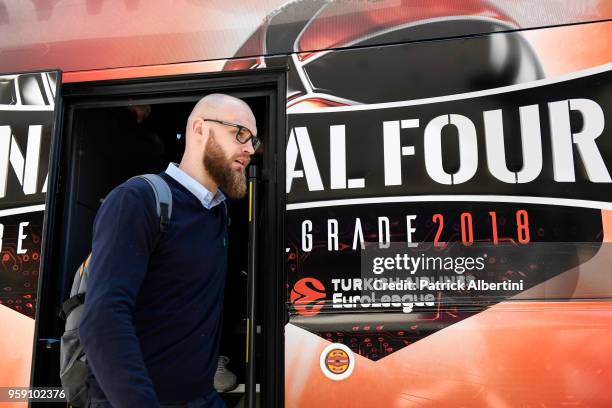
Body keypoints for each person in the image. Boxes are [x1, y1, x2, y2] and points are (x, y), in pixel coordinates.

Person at [79, 94, 259, 408]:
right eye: (239, 134)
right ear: (200, 129)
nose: (249, 149)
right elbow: (103, 320)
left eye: (253, 140)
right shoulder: (137, 199)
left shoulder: (218, 212)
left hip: (200, 398)